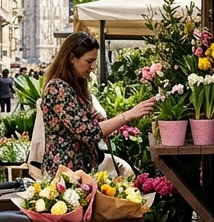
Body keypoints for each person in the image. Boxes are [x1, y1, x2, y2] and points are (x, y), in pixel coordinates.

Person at [41, 32, 155, 173]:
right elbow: (86, 131)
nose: (93, 66)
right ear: (71, 58)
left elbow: (87, 127)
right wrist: (128, 115)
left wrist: (97, 121)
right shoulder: (58, 88)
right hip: (65, 172)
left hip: (80, 170)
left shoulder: (76, 87)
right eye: (89, 61)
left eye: (94, 61)